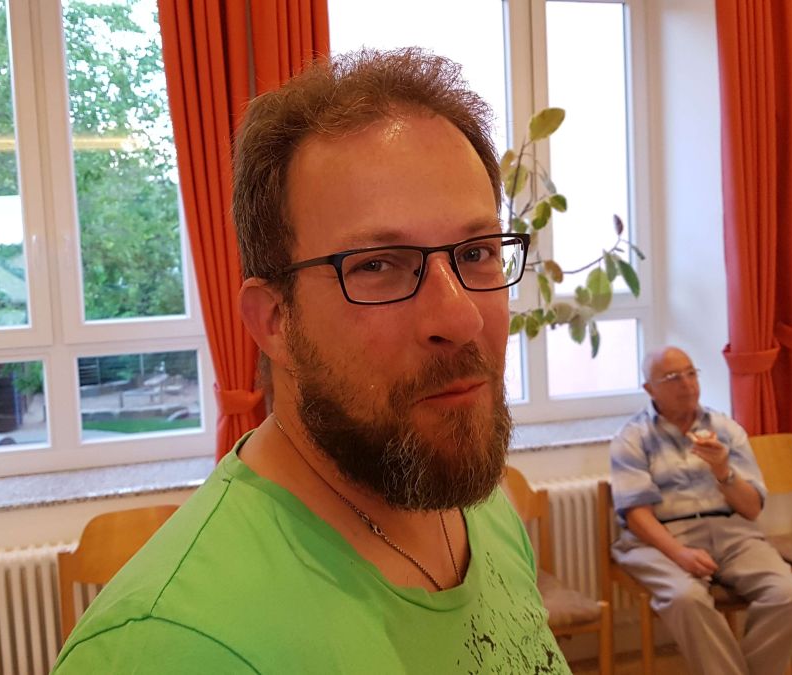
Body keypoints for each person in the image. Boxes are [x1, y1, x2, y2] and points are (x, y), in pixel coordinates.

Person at [52, 48, 570, 673]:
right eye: (377, 266)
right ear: (274, 320)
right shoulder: (171, 647)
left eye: (478, 252)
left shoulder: (472, 503)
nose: (460, 319)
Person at [609, 345, 792, 675]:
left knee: (790, 597)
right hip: (661, 539)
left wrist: (723, 471)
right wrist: (680, 554)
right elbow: (637, 515)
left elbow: (751, 509)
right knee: (686, 598)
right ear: (649, 388)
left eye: (691, 373)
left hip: (732, 533)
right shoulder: (632, 437)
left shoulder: (726, 428)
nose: (687, 384)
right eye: (673, 377)